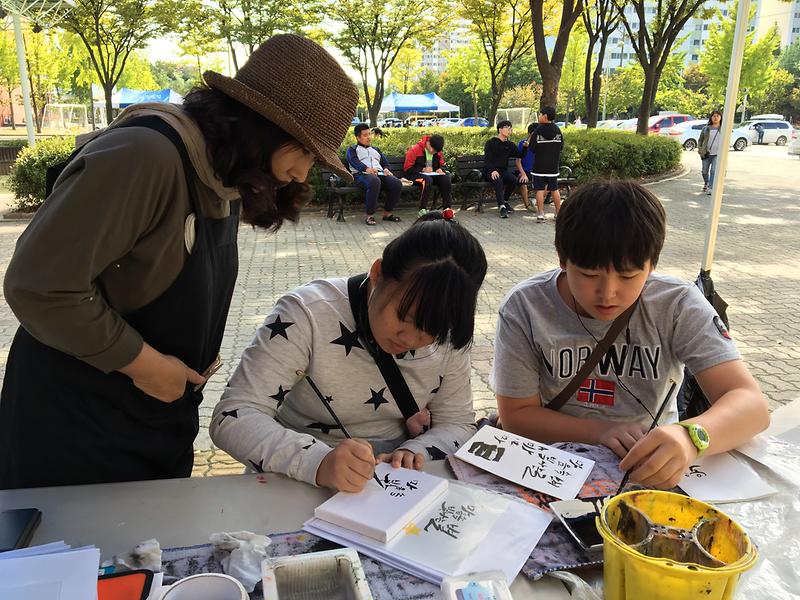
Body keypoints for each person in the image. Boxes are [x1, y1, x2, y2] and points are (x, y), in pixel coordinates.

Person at [0, 34, 359, 490]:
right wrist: (150, 368)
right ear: (263, 126)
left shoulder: (222, 175)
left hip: (155, 422)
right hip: (75, 429)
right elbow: (39, 287)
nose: (302, 173)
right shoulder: (144, 156)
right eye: (304, 150)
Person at [491, 181, 769, 490]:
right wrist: (601, 431)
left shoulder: (677, 305)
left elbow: (751, 405)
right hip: (549, 465)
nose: (608, 293)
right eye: (588, 275)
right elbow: (517, 417)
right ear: (562, 259)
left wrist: (689, 436)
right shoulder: (526, 307)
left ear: (652, 265)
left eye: (628, 276)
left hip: (651, 464)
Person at [210, 213, 488, 492]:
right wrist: (317, 461)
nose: (412, 338)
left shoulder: (448, 337)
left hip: (390, 485)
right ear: (378, 273)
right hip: (289, 476)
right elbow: (233, 415)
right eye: (405, 316)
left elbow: (457, 424)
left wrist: (418, 451)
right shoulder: (308, 313)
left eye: (432, 329)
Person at [346, 123, 402, 226]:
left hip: (379, 174)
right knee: (374, 181)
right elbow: (354, 162)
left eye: (369, 134)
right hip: (361, 176)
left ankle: (387, 213)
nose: (369, 137)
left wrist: (386, 169)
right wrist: (367, 169)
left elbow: (385, 163)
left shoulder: (376, 150)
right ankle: (369, 215)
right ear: (358, 137)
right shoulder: (352, 150)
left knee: (396, 183)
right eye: (365, 135)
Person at [483, 120, 527, 219]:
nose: (510, 130)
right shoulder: (490, 143)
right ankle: (502, 206)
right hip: (490, 171)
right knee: (499, 181)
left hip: (503, 171)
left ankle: (505, 201)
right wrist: (492, 170)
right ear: (500, 129)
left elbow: (520, 155)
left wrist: (525, 148)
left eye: (511, 128)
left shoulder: (510, 144)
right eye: (507, 128)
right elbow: (487, 160)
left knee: (513, 180)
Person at [403, 134, 453, 212]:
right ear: (428, 143)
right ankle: (422, 209)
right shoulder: (415, 150)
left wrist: (440, 169)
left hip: (431, 175)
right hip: (414, 175)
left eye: (436, 151)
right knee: (427, 180)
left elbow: (442, 165)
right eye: (433, 149)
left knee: (445, 178)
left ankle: (447, 208)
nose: (433, 152)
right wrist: (422, 169)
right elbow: (407, 169)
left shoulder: (438, 152)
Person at [530, 106, 563, 222]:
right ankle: (558, 213)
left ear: (545, 116)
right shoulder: (558, 130)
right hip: (553, 167)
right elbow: (561, 147)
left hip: (539, 167)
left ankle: (540, 213)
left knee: (539, 189)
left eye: (540, 114)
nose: (539, 116)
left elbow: (532, 148)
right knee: (554, 189)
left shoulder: (537, 131)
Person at [698, 110, 722, 195]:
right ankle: (706, 183)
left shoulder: (723, 128)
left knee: (713, 171)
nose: (715, 118)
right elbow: (700, 140)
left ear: (720, 117)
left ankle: (711, 187)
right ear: (711, 117)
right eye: (714, 116)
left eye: (717, 116)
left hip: (717, 154)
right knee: (704, 171)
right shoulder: (706, 128)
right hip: (706, 153)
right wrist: (700, 150)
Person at [515, 123, 537, 211]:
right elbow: (518, 161)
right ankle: (527, 205)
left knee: (549, 183)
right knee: (522, 181)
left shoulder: (539, 145)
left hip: (537, 171)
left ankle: (534, 201)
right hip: (524, 171)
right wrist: (523, 173)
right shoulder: (522, 144)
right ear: (530, 134)